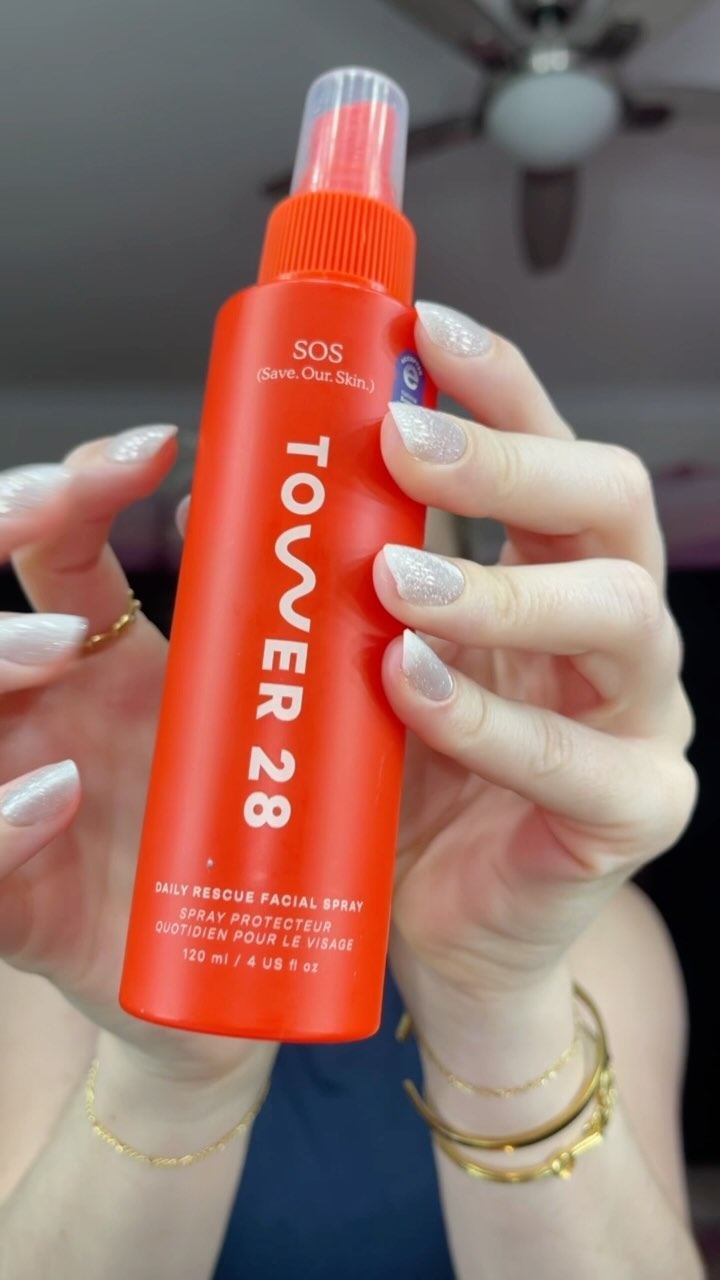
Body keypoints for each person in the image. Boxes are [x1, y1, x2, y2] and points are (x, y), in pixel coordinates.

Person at [0, 301, 704, 1279]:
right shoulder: (72, 930)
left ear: (474, 613)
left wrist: (494, 1001)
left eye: (384, 575)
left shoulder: (595, 931)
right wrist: (172, 1078)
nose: (311, 628)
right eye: (280, 570)